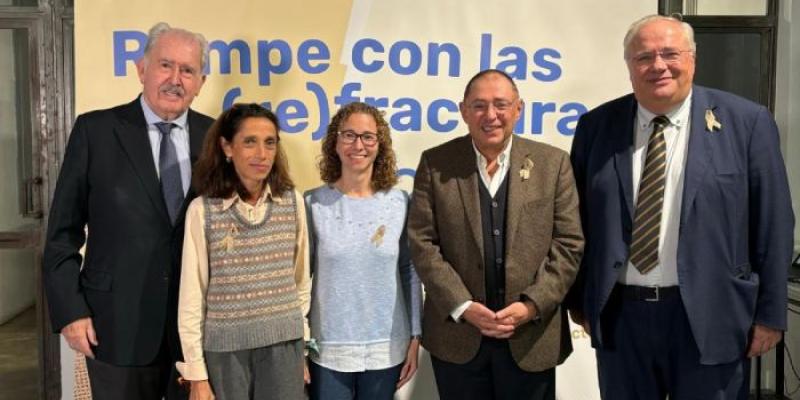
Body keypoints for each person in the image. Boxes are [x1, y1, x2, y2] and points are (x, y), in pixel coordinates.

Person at [565, 14, 795, 399]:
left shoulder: (747, 122)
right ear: (629, 66)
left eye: (670, 53)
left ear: (692, 58)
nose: (658, 66)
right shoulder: (596, 127)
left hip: (712, 314)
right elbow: (577, 221)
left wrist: (770, 314)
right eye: (644, 57)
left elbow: (774, 223)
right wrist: (579, 301)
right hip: (623, 319)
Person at [42, 22, 212, 400]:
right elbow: (61, 235)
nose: (175, 79)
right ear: (141, 69)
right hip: (115, 324)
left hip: (194, 334)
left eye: (188, 70)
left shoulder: (216, 138)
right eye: (165, 65)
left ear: (200, 81)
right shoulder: (96, 131)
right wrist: (71, 311)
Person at [407, 69, 584, 400]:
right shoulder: (436, 163)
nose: (491, 115)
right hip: (458, 336)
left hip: (531, 337)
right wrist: (462, 305)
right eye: (479, 105)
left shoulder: (553, 164)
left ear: (519, 109)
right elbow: (423, 243)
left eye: (501, 104)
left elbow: (569, 245)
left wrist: (531, 305)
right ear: (463, 111)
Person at [175, 103, 311, 400]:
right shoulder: (203, 211)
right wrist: (197, 374)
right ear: (227, 147)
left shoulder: (292, 202)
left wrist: (300, 349)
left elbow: (300, 282)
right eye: (249, 142)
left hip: (284, 350)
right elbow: (192, 296)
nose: (262, 154)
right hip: (226, 354)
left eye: (270, 143)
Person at [304, 102, 423, 400]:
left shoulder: (399, 203)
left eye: (368, 137)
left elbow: (409, 270)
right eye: (349, 135)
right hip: (328, 347)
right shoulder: (313, 204)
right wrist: (298, 341)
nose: (358, 145)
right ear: (335, 142)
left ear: (379, 145)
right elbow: (300, 279)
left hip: (386, 347)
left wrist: (415, 335)